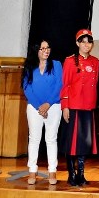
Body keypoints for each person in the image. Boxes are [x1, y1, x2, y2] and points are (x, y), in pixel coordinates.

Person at [60, 29, 99, 186]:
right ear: (77, 43)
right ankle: (71, 174)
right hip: (74, 106)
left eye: (89, 42)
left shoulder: (95, 62)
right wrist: (65, 106)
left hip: (88, 106)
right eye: (83, 42)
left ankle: (81, 174)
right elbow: (65, 85)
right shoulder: (70, 61)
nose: (86, 45)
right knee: (71, 143)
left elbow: (95, 83)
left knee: (84, 143)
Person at [21, 40, 62, 185]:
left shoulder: (56, 64)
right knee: (34, 139)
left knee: (51, 139)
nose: (46, 50)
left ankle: (52, 171)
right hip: (34, 107)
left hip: (53, 107)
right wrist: (39, 106)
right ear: (36, 50)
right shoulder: (29, 66)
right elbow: (26, 87)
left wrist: (47, 104)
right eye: (42, 48)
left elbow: (59, 85)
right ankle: (32, 170)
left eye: (48, 47)